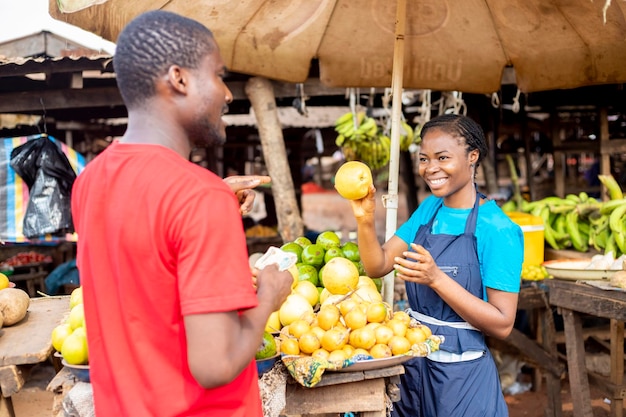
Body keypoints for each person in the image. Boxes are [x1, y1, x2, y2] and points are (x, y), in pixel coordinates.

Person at [70, 10, 294, 417]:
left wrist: (207, 203)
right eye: (219, 75)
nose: (227, 94)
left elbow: (145, 250)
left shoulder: (91, 181)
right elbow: (215, 365)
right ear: (179, 78)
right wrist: (268, 297)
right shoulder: (197, 197)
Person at [348, 114, 524, 416]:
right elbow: (377, 266)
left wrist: (436, 279)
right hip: (413, 369)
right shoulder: (429, 209)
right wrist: (365, 219)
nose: (431, 169)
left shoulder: (498, 229)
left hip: (463, 381)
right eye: (424, 159)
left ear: (472, 157)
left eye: (443, 158)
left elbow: (503, 323)